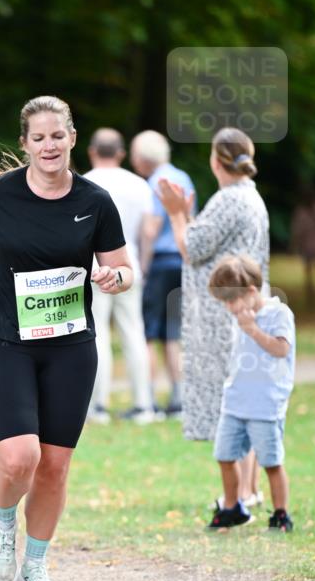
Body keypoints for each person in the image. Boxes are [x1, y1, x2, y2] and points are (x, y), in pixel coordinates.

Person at [0, 95, 133, 581]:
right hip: (6, 341)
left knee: (54, 465)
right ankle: (3, 525)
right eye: (38, 137)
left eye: (57, 135)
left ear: (73, 138)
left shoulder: (95, 201)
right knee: (19, 455)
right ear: (25, 144)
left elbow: (123, 267)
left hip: (71, 348)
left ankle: (36, 567)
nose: (49, 145)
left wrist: (115, 278)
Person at [158, 127, 270, 507]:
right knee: (245, 399)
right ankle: (249, 490)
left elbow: (191, 247)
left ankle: (238, 494)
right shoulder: (250, 197)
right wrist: (188, 213)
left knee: (233, 403)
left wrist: (175, 214)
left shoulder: (228, 200)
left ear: (216, 160)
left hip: (224, 316)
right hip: (244, 309)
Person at [207, 255, 295, 533]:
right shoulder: (240, 316)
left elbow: (281, 349)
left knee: (271, 461)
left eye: (231, 301)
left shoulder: (278, 314)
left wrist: (253, 330)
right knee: (224, 455)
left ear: (252, 292)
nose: (229, 308)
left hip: (266, 405)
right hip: (235, 401)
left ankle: (280, 514)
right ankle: (233, 507)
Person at [83, 128, 154, 424]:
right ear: (122, 154)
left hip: (94, 268)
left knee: (97, 333)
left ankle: (98, 405)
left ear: (91, 151)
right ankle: (143, 404)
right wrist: (142, 266)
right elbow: (148, 232)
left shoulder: (85, 183)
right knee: (134, 333)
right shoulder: (139, 185)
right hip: (129, 266)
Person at [130, 130, 196, 417]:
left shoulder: (155, 183)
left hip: (158, 264)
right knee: (174, 332)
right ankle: (179, 398)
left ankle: (148, 398)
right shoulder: (183, 177)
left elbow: (150, 228)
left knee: (148, 332)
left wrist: (141, 267)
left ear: (143, 158)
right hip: (182, 262)